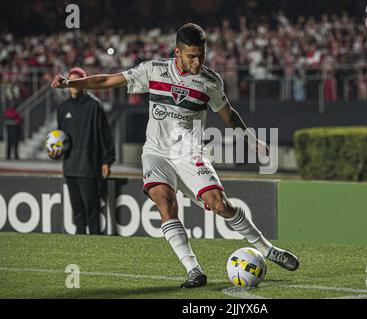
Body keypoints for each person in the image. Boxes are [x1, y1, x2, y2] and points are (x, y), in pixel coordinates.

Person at [51, 23, 299, 288]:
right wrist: (71, 83)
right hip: (156, 152)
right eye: (191, 56)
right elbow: (107, 80)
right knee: (164, 202)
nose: (197, 61)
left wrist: (250, 137)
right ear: (177, 52)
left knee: (220, 205)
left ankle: (267, 249)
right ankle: (194, 270)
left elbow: (228, 114)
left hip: (189, 152)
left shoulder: (210, 81)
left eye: (201, 55)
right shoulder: (153, 70)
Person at [49, 67, 116, 235]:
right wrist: (55, 152)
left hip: (89, 167)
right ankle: (79, 246)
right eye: (69, 81)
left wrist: (107, 160)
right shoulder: (62, 108)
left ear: (83, 83)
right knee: (77, 212)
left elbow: (105, 135)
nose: (72, 84)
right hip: (70, 167)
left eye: (76, 81)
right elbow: (60, 137)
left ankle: (95, 247)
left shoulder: (94, 105)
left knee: (92, 211)